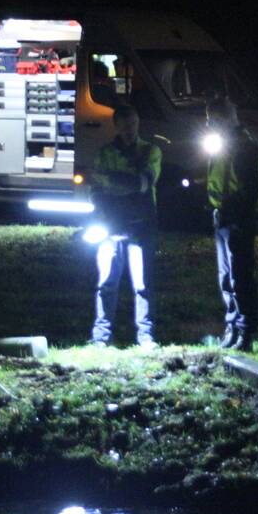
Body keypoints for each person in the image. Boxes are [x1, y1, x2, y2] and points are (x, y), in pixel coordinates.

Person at [88, 104, 162, 350]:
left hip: (138, 227)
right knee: (107, 282)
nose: (131, 129)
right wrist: (123, 184)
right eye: (126, 125)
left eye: (134, 124)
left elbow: (142, 183)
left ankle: (145, 336)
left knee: (141, 284)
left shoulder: (151, 151)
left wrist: (110, 181)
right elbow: (96, 189)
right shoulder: (107, 152)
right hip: (113, 225)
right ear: (117, 125)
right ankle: (101, 337)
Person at [205, 95, 258, 351]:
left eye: (212, 119)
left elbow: (249, 189)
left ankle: (245, 331)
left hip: (238, 217)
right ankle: (232, 327)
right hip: (223, 215)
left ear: (224, 118)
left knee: (240, 276)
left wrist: (237, 215)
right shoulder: (224, 143)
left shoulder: (244, 145)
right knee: (226, 276)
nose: (209, 125)